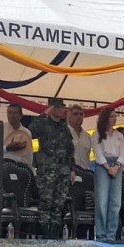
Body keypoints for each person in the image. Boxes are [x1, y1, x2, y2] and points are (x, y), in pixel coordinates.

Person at [30, 97, 74, 238]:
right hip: (48, 169)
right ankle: (45, 234)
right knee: (46, 202)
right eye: (58, 107)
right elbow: (32, 129)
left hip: (63, 169)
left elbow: (69, 148)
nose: (61, 110)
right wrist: (47, 111)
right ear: (52, 107)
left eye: (62, 107)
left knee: (59, 203)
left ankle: (54, 234)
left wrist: (72, 169)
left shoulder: (63, 125)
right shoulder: (43, 123)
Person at [92, 106, 124, 240]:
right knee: (102, 202)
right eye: (111, 116)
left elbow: (122, 153)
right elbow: (98, 153)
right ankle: (101, 235)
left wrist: (116, 166)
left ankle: (111, 235)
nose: (114, 119)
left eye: (115, 116)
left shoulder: (119, 135)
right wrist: (108, 167)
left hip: (116, 165)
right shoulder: (97, 135)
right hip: (103, 165)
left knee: (115, 202)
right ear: (105, 118)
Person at [3, 103, 35, 168]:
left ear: (21, 116)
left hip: (21, 168)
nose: (12, 115)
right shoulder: (1, 128)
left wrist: (30, 169)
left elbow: (30, 152)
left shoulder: (27, 132)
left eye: (15, 113)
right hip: (5, 167)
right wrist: (7, 148)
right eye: (9, 113)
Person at [67, 103, 93, 175]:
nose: (79, 116)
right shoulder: (63, 134)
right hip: (69, 174)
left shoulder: (88, 136)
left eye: (81, 114)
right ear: (69, 117)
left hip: (85, 174)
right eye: (75, 114)